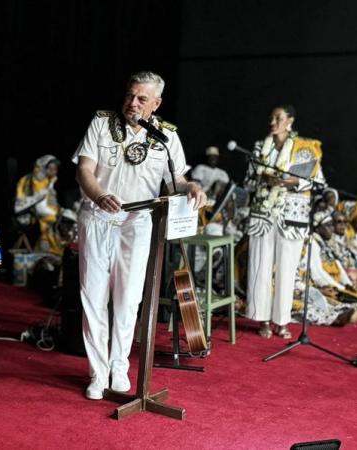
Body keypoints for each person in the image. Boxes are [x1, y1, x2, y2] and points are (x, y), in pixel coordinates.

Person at [73, 71, 206, 400]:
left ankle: (119, 366)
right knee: (93, 297)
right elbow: (84, 170)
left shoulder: (166, 137)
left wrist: (192, 188)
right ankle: (97, 372)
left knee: (128, 298)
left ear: (156, 104)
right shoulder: (101, 124)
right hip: (98, 216)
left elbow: (175, 181)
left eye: (142, 99)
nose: (133, 103)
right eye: (130, 95)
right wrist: (99, 195)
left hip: (138, 222)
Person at [244, 104, 325, 339]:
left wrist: (295, 183)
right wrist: (263, 180)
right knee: (260, 265)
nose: (273, 122)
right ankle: (262, 318)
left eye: (278, 117)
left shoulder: (305, 148)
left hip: (293, 216)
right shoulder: (260, 147)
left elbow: (318, 182)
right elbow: (248, 181)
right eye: (271, 117)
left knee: (287, 269)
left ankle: (282, 321)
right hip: (263, 214)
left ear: (290, 120)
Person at [14, 155, 65, 255]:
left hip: (40, 210)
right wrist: (57, 214)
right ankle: (49, 253)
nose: (54, 171)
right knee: (55, 221)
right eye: (50, 168)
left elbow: (50, 201)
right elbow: (39, 204)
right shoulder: (36, 179)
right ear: (44, 167)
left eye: (55, 168)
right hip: (27, 213)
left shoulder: (48, 180)